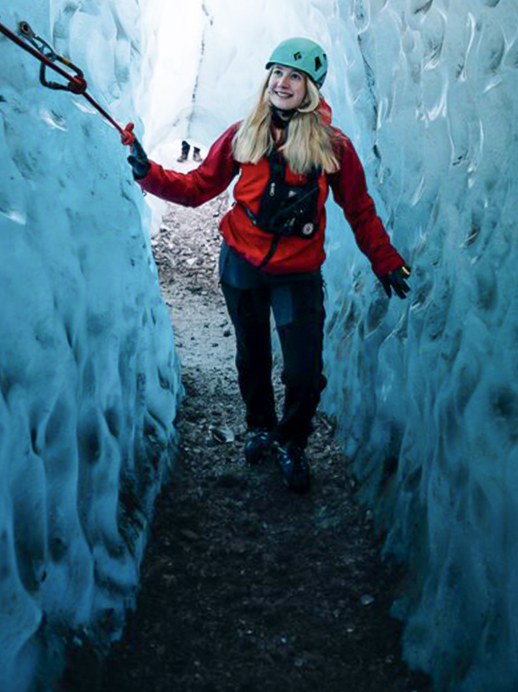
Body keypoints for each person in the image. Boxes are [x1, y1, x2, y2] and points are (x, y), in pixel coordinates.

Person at [127, 38, 412, 493]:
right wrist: (148, 173)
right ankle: (261, 427)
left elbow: (359, 208)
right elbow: (199, 187)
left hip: (297, 274)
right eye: (277, 73)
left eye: (295, 76)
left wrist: (385, 260)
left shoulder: (332, 146)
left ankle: (292, 439)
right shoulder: (246, 134)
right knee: (253, 357)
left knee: (304, 371)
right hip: (242, 264)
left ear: (311, 88)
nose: (282, 82)